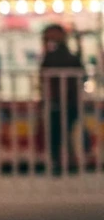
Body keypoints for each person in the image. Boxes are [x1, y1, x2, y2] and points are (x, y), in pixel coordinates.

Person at [40, 24, 83, 174]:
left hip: (61, 102)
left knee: (57, 133)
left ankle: (60, 162)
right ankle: (68, 163)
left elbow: (44, 75)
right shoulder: (68, 55)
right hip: (68, 102)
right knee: (65, 133)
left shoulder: (54, 56)